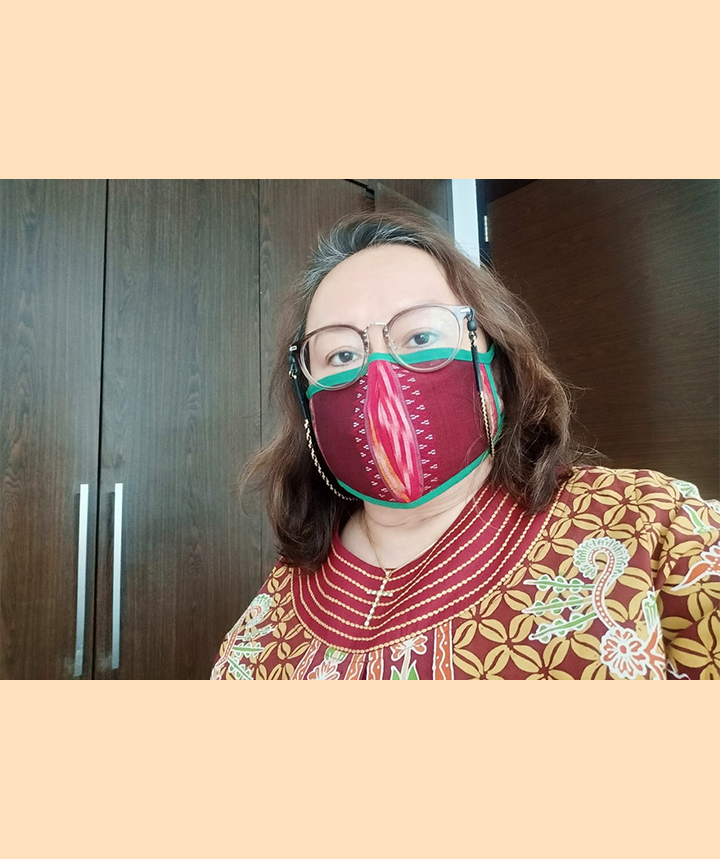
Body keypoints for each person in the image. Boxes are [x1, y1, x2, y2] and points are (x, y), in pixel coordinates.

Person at [210, 210, 720, 680]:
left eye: (419, 337)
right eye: (341, 354)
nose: (380, 374)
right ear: (307, 404)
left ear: (494, 359)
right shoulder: (269, 620)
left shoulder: (652, 523)